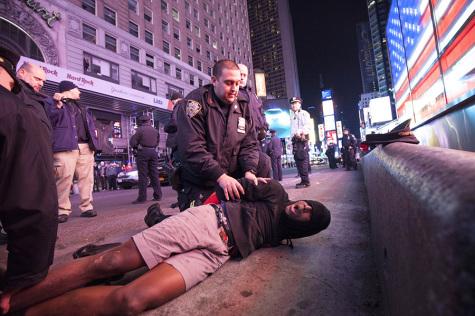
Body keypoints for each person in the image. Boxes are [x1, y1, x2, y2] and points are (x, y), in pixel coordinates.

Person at [2, 179, 331, 315]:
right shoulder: (276, 194)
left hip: (216, 254)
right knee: (110, 262)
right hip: (206, 220)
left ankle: (30, 311)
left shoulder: (281, 238)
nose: (300, 208)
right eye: (305, 204)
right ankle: (12, 300)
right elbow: (240, 183)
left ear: (306, 227)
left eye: (306, 215)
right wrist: (237, 183)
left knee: (132, 300)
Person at [0, 47, 58, 305]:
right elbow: (33, 202)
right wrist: (22, 278)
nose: (40, 84)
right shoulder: (20, 110)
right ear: (16, 73)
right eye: (37, 79)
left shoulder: (25, 108)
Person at [175, 60, 262, 211]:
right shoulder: (194, 104)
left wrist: (249, 171)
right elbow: (192, 149)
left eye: (237, 83)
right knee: (201, 225)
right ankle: (157, 217)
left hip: (229, 176)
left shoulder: (242, 104)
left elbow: (250, 144)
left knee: (264, 161)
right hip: (201, 180)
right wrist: (220, 176)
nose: (234, 89)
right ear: (214, 81)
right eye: (229, 83)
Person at [46, 80, 100, 223]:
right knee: (64, 178)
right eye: (77, 89)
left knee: (87, 179)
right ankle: (61, 210)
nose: (80, 92)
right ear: (69, 90)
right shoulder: (53, 103)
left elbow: (90, 126)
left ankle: (87, 207)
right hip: (65, 146)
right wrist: (56, 105)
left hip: (85, 147)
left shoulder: (82, 107)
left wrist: (94, 142)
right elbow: (48, 119)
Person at [129, 115, 162, 203]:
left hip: (143, 152)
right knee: (154, 174)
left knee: (143, 175)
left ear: (141, 122)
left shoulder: (139, 130)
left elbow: (132, 142)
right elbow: (157, 142)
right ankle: (158, 195)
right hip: (153, 152)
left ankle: (142, 198)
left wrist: (136, 147)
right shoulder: (155, 130)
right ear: (149, 121)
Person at [289, 97, 312, 188]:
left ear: (300, 104)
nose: (294, 105)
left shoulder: (304, 114)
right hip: (295, 141)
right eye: (292, 103)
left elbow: (307, 126)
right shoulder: (291, 115)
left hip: (302, 140)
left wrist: (300, 131)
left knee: (303, 160)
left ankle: (306, 181)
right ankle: (303, 180)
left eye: (296, 103)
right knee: (298, 161)